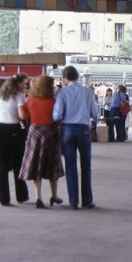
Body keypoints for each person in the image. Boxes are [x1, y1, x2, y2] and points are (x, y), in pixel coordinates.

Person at [53, 66, 98, 210]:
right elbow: (95, 113)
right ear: (77, 77)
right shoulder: (87, 92)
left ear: (65, 78)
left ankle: (73, 201)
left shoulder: (62, 92)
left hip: (67, 130)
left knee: (70, 166)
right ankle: (87, 200)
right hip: (84, 130)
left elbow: (57, 115)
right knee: (86, 166)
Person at [19, 75, 64, 209]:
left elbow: (25, 116)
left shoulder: (30, 100)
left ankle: (38, 197)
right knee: (52, 165)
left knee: (36, 164)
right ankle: (54, 195)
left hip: (34, 133)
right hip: (50, 133)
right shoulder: (53, 101)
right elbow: (58, 118)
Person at [0, 74, 29, 206]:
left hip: (0, 129)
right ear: (18, 84)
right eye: (24, 83)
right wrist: (27, 115)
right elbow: (21, 115)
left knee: (2, 166)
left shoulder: (0, 96)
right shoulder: (19, 96)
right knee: (17, 164)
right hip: (14, 129)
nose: (25, 86)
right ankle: (21, 195)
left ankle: (4, 198)